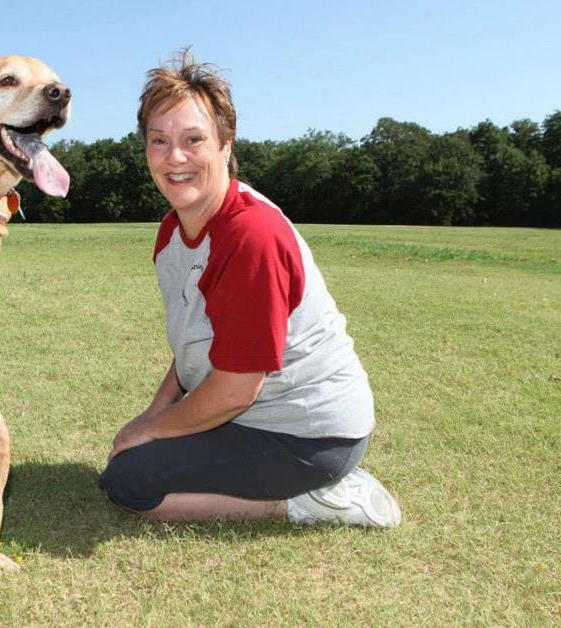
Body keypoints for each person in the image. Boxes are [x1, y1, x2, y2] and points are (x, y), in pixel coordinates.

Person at [98, 50, 401, 527]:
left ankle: (316, 501)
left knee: (129, 483)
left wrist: (153, 430)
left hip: (309, 436)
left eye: (193, 140)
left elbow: (237, 389)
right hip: (252, 416)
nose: (174, 157)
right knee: (131, 460)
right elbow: (194, 349)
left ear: (225, 145)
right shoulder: (173, 232)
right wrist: (149, 417)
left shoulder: (251, 236)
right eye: (159, 141)